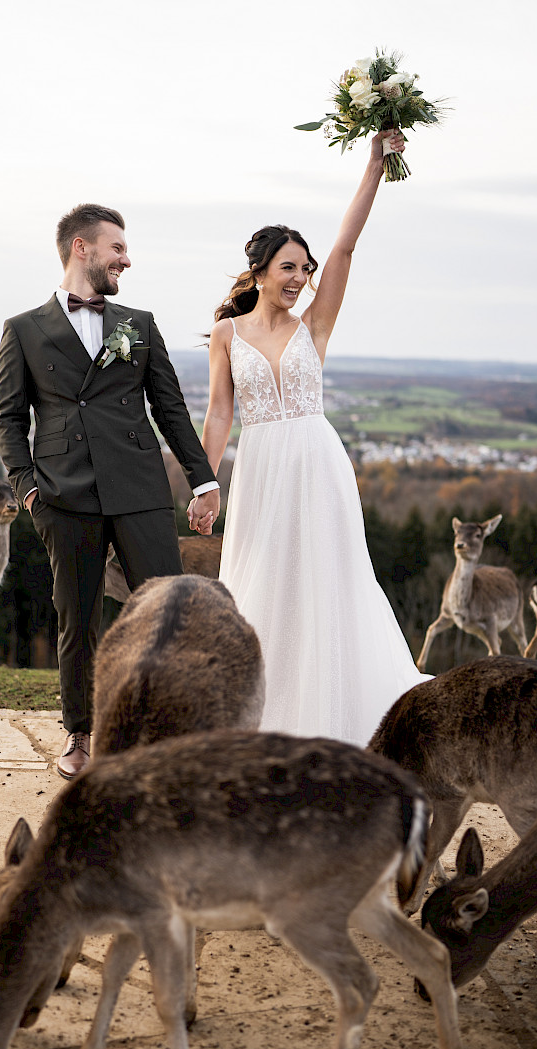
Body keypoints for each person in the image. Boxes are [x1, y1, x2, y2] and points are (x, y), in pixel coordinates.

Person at [191, 131, 428, 746]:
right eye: (288, 268)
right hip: (261, 469)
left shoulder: (313, 324)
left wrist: (375, 166)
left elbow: (345, 248)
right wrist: (204, 482)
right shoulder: (226, 334)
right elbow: (220, 415)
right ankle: (257, 720)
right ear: (261, 273)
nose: (300, 277)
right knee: (259, 588)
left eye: (304, 269)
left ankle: (340, 721)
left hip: (318, 464)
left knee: (326, 585)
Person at [0, 203, 220, 778]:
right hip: (62, 495)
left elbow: (170, 409)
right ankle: (80, 735)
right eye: (118, 248)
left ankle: (168, 735)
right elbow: (8, 418)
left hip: (140, 487)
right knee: (78, 620)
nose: (127, 259)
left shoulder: (139, 324)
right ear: (81, 248)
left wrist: (203, 480)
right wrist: (26, 491)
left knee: (168, 614)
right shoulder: (23, 329)